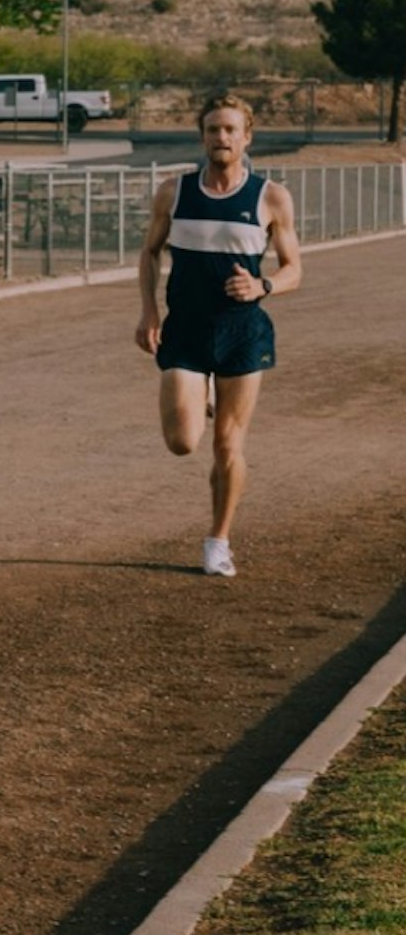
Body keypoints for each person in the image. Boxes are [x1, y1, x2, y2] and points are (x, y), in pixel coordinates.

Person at [134, 92, 301, 577]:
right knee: (183, 440)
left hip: (243, 332)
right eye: (213, 130)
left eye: (230, 130)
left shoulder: (270, 197)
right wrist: (148, 313)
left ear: (247, 137)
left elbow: (294, 270)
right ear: (202, 136)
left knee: (229, 445)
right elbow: (149, 253)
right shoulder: (175, 192)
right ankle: (199, 386)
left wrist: (262, 284)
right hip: (184, 328)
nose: (221, 138)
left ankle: (218, 541)